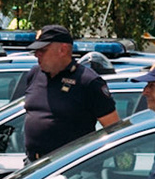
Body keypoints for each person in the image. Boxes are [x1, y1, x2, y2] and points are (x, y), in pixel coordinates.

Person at [20, 24, 119, 159]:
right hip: (33, 164)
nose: (37, 55)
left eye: (42, 50)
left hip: (71, 169)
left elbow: (114, 129)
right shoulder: (34, 74)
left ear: (63, 50)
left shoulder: (88, 82)